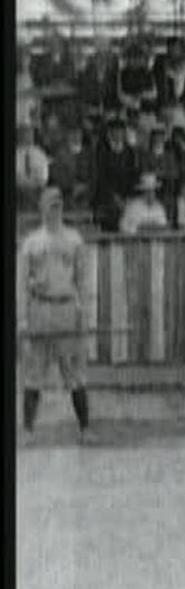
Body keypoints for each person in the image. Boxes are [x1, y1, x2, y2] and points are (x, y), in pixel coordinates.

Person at [16, 186, 94, 444]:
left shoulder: (74, 239)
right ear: (41, 207)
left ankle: (85, 430)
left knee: (75, 373)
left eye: (59, 202)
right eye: (50, 203)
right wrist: (22, 319)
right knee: (33, 373)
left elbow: (83, 281)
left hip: (66, 308)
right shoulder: (31, 243)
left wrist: (83, 314)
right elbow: (21, 284)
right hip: (40, 309)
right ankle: (28, 431)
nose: (55, 207)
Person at [92, 117, 138, 232]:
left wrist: (126, 197)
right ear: (110, 133)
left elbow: (133, 174)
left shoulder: (130, 151)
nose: (118, 134)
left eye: (120, 131)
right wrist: (114, 196)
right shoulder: (102, 150)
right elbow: (100, 176)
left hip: (126, 197)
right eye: (115, 131)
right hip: (106, 197)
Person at [16, 124, 51, 213]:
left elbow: (43, 179)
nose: (27, 135)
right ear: (18, 134)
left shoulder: (40, 154)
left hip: (35, 192)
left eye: (29, 132)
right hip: (18, 191)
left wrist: (34, 185)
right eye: (23, 132)